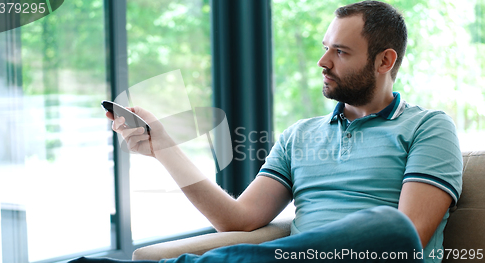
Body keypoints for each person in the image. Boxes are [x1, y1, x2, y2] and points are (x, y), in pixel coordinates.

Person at [70, 1, 462, 262]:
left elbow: (409, 238)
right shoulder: (300, 136)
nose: (323, 62)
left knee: (388, 226)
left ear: (384, 60)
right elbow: (239, 220)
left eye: (340, 52)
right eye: (325, 48)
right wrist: (164, 147)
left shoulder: (428, 127)